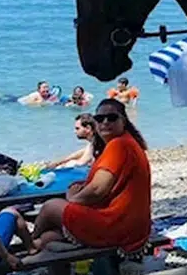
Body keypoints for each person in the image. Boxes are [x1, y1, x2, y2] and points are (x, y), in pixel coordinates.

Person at [30, 99, 151, 254]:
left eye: (112, 118)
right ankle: (37, 245)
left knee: (51, 207)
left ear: (124, 121)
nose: (105, 122)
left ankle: (29, 244)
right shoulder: (128, 142)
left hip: (117, 224)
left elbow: (97, 190)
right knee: (49, 237)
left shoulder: (118, 145)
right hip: (135, 226)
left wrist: (71, 199)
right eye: (100, 119)